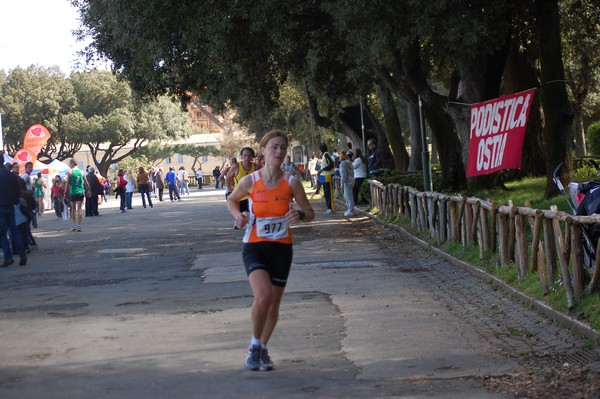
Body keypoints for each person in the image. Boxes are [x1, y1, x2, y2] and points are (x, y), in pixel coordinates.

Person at [227, 130, 315, 371]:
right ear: (263, 150)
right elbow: (232, 200)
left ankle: (263, 348)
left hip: (282, 248)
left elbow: (310, 213)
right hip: (255, 246)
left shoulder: (291, 183)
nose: (279, 152)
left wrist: (299, 214)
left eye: (283, 148)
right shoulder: (251, 181)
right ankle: (254, 346)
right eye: (274, 147)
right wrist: (239, 216)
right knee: (263, 296)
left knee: (274, 304)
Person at [0, 151, 27, 267]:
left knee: (2, 233)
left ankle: (8, 257)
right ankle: (22, 254)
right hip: (10, 206)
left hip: (0, 207)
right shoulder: (11, 175)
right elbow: (17, 192)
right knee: (14, 231)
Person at [227, 147, 256, 215]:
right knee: (240, 219)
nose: (247, 158)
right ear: (241, 156)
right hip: (239, 197)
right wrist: (230, 191)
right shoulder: (236, 166)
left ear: (252, 156)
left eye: (249, 156)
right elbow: (227, 178)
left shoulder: (255, 167)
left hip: (252, 198)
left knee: (252, 219)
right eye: (245, 155)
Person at [64, 159, 91, 232]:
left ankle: (74, 224)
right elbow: (86, 182)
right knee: (79, 209)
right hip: (80, 191)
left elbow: (67, 183)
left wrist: (65, 192)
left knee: (73, 209)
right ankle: (79, 225)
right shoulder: (82, 172)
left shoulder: (70, 172)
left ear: (72, 163)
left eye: (70, 163)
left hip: (73, 192)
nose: (69, 165)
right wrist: (89, 190)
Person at [316, 143, 335, 214]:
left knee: (328, 192)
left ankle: (330, 208)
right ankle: (328, 208)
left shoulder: (326, 154)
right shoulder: (323, 155)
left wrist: (323, 169)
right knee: (326, 193)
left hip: (327, 176)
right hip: (323, 176)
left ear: (321, 149)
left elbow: (331, 164)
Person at [339, 150, 355, 217]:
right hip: (352, 179)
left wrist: (342, 182)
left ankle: (351, 210)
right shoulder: (350, 162)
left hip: (347, 181)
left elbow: (343, 174)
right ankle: (350, 209)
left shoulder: (342, 163)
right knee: (348, 196)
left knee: (348, 196)